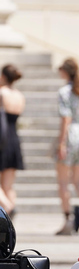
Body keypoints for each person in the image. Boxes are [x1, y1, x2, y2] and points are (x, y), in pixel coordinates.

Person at [55, 58, 79, 236]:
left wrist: (61, 142)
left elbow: (66, 119)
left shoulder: (64, 91)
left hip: (71, 135)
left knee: (63, 181)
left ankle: (68, 219)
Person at [0, 64, 25, 214]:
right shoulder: (20, 95)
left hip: (2, 138)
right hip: (14, 138)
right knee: (8, 186)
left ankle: (9, 207)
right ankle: (8, 219)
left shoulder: (2, 92)